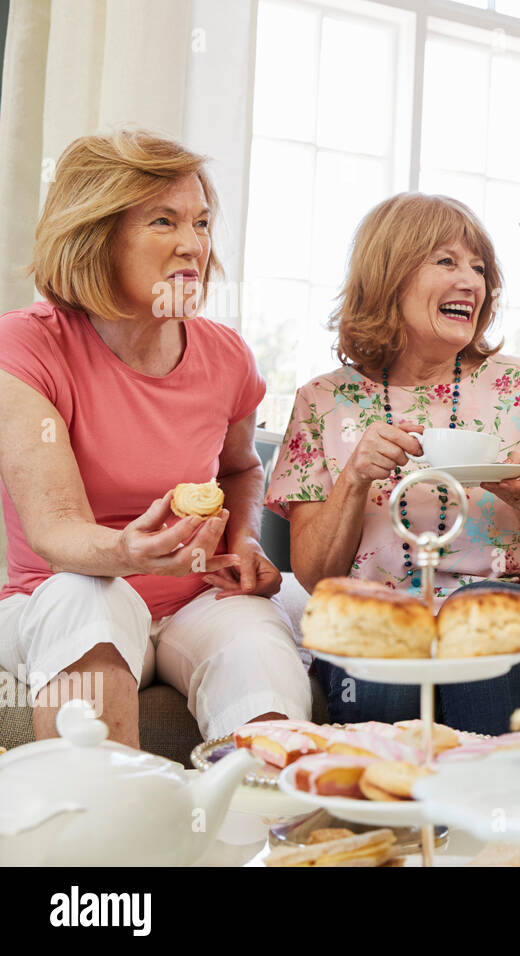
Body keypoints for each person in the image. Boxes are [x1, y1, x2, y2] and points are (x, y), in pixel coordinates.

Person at [0, 129, 311, 746]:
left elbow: (241, 469)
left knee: (256, 644)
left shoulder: (226, 356)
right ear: (97, 234)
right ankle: (104, 830)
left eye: (200, 222)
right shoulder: (28, 345)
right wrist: (130, 554)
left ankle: (258, 831)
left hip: (194, 594)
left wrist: (244, 540)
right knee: (84, 599)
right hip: (57, 594)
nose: (192, 244)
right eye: (164, 221)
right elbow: (55, 530)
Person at [267, 192, 520, 735]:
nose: (471, 281)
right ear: (389, 274)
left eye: (479, 268)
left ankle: (485, 815)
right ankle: (392, 813)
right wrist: (355, 477)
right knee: (383, 655)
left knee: (479, 620)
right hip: (382, 611)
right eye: (446, 261)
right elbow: (317, 576)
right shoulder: (322, 400)